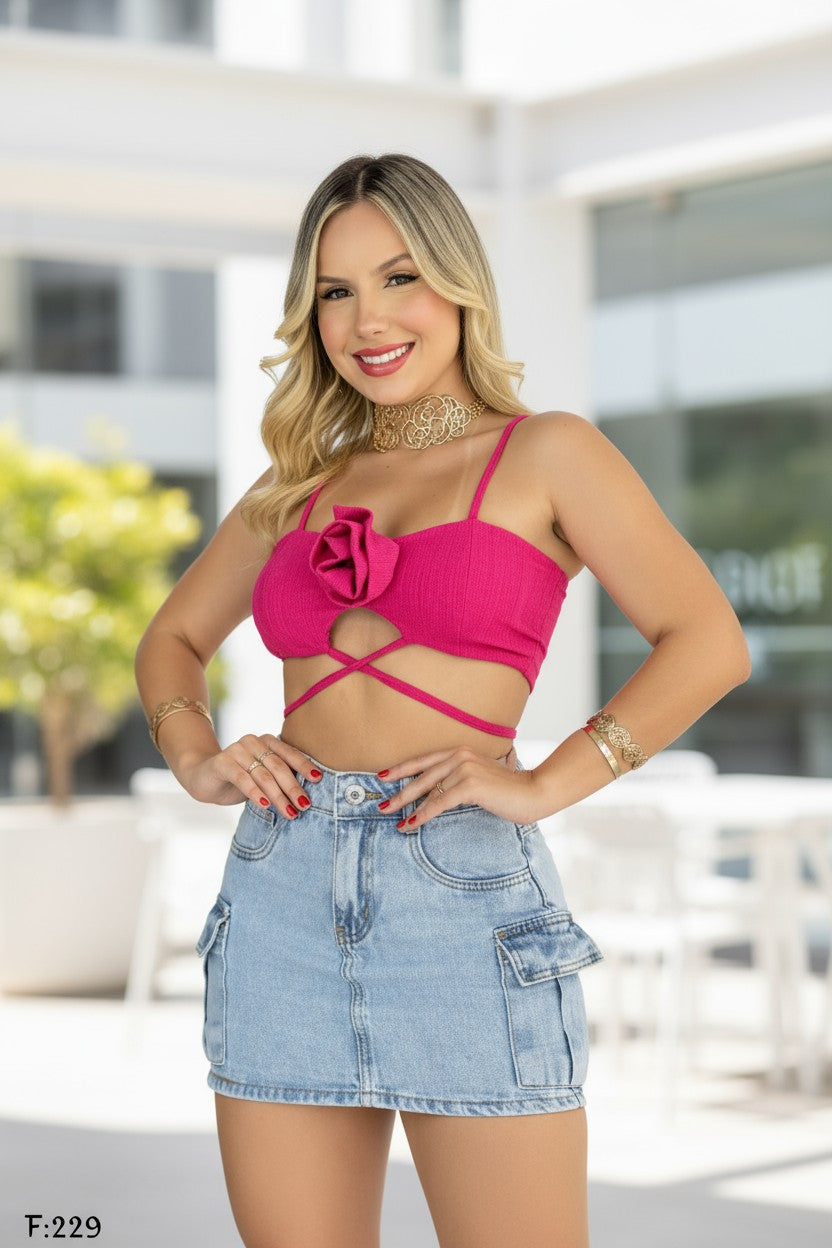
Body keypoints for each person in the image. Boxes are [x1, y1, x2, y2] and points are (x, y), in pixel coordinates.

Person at [135, 152, 751, 1248]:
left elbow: (706, 640)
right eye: (334, 291)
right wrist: (197, 757)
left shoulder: (547, 452)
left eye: (399, 277)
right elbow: (173, 638)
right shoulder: (294, 490)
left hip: (460, 891)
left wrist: (547, 781)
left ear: (458, 285)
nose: (365, 318)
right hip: (279, 895)